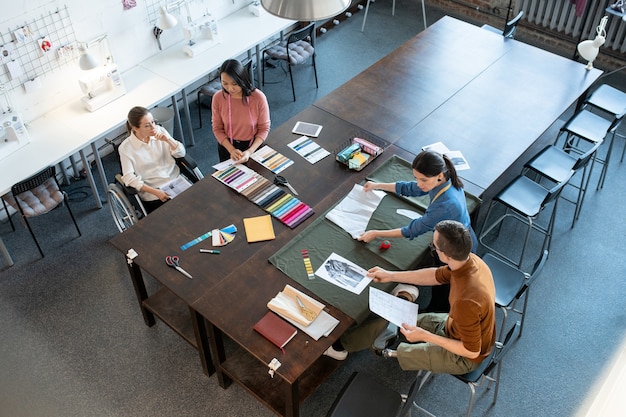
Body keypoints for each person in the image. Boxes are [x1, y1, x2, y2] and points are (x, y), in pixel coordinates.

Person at [325, 220, 496, 377]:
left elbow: (471, 351)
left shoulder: (466, 302)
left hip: (464, 356)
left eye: (434, 246)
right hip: (453, 326)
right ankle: (342, 345)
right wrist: (391, 276)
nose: (433, 247)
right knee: (397, 320)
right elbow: (436, 275)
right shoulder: (470, 261)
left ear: (445, 255)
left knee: (405, 351)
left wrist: (426, 336)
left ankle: (388, 350)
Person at [357, 150, 478, 251]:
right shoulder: (444, 180)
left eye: (423, 180)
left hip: (457, 248)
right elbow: (409, 188)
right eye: (416, 178)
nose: (419, 184)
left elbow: (412, 230)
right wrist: (377, 185)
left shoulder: (445, 206)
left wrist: (375, 234)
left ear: (439, 175)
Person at [119, 106, 187, 214]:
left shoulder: (160, 131)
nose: (153, 127)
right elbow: (129, 178)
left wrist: (168, 140)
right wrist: (156, 192)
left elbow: (181, 153)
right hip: (155, 192)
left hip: (176, 181)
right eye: (147, 126)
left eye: (153, 122)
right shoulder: (126, 148)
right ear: (135, 128)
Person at [212, 59, 271, 163]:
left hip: (254, 146)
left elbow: (264, 128)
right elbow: (217, 128)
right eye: (224, 83)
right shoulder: (218, 98)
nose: (230, 88)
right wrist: (231, 150)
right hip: (227, 146)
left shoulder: (258, 98)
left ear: (242, 80)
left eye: (234, 84)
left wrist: (249, 151)